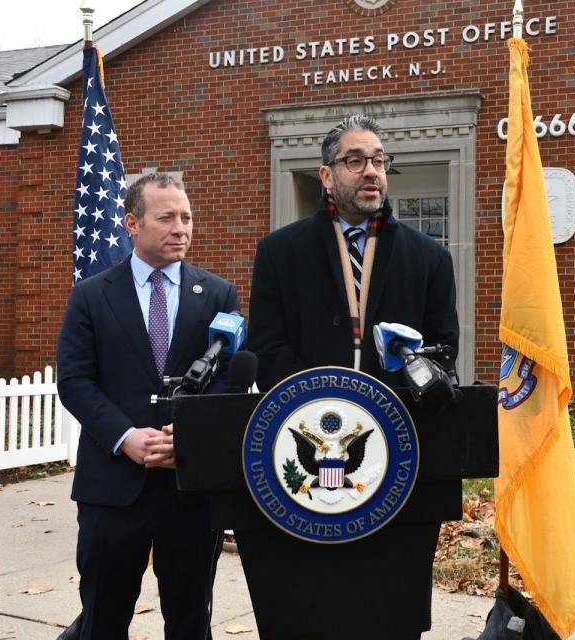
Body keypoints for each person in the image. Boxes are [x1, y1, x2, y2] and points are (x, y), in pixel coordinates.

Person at [242, 113, 460, 640]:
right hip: (310, 464)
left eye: (379, 161)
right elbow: (266, 352)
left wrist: (409, 368)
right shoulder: (280, 252)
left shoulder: (430, 258)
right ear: (326, 175)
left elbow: (445, 355)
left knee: (390, 618)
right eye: (355, 160)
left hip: (400, 470)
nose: (371, 172)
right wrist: (333, 398)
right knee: (312, 616)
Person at [57, 173, 239, 639]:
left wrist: (191, 435)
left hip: (189, 490)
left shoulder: (218, 294)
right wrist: (126, 437)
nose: (181, 228)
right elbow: (75, 381)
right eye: (167, 218)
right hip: (113, 488)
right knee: (103, 616)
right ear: (132, 224)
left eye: (187, 217)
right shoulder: (91, 295)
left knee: (190, 619)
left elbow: (232, 378)